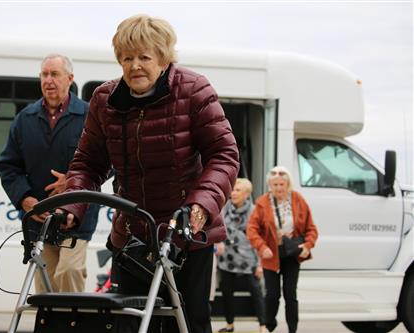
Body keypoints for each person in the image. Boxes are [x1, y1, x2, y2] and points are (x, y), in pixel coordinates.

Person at [59, 14, 239, 333]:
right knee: (128, 322)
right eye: (127, 58)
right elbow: (88, 164)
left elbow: (223, 155)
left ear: (163, 58)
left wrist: (201, 204)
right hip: (132, 236)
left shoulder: (194, 90)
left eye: (144, 57)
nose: (135, 66)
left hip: (185, 235)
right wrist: (71, 207)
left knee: (188, 323)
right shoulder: (105, 99)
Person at [0, 54, 100, 293]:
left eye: (55, 74)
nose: (48, 80)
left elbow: (109, 163)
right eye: (44, 74)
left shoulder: (90, 116)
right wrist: (25, 199)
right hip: (39, 218)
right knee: (45, 286)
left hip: (77, 216)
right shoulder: (25, 119)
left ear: (70, 79)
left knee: (69, 272)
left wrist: (71, 180)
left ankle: (74, 325)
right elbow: (8, 167)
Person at [247, 166, 318, 333]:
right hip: (271, 254)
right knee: (272, 295)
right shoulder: (262, 202)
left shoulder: (298, 200)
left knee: (290, 295)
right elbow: (251, 229)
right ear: (270, 185)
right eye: (275, 184)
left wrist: (308, 245)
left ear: (288, 184)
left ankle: (293, 329)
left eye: (281, 184)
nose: (278, 188)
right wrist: (261, 246)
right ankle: (268, 326)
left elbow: (312, 228)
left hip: (292, 254)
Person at [216, 178, 266, 333]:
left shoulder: (254, 211)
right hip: (227, 258)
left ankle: (263, 326)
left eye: (238, 190)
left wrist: (260, 264)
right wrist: (218, 242)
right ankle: (230, 325)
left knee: (256, 292)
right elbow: (218, 228)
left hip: (248, 258)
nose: (233, 193)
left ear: (246, 194)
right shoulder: (224, 209)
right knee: (227, 293)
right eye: (233, 190)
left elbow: (261, 238)